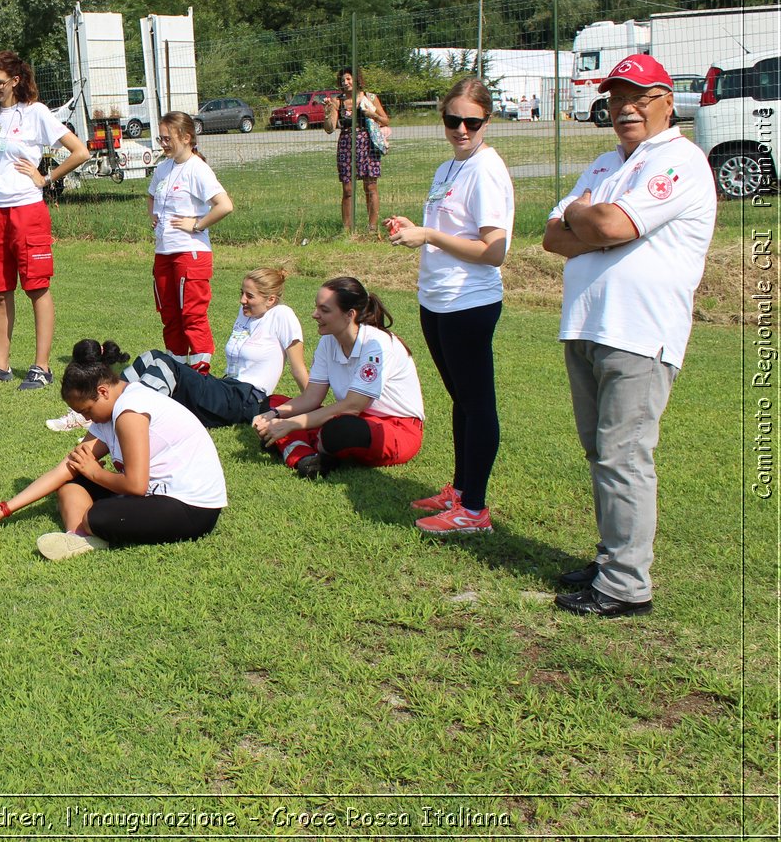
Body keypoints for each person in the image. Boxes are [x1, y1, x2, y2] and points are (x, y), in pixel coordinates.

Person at [541, 54, 716, 618]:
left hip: (639, 332)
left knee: (624, 455)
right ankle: (614, 555)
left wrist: (588, 219)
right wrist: (590, 222)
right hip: (589, 325)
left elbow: (612, 225)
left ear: (668, 100)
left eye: (640, 96)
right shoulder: (602, 163)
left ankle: (625, 585)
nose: (626, 108)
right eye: (617, 97)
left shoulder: (680, 161)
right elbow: (552, 238)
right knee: (602, 452)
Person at [386, 77, 514, 536]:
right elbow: (449, 228)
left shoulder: (486, 169)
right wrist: (414, 228)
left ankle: (474, 511)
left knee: (477, 403)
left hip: (469, 302)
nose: (461, 129)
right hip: (437, 299)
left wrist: (430, 235)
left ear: (487, 121)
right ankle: (460, 491)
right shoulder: (449, 168)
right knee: (461, 400)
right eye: (452, 120)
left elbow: (493, 250)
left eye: (471, 121)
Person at [0, 340, 227, 560]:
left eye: (86, 411)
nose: (86, 418)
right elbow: (68, 468)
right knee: (71, 486)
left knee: (98, 516)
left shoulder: (130, 411)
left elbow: (136, 485)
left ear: (102, 392)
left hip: (192, 508)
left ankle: (89, 530)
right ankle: (81, 538)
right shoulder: (110, 411)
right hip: (156, 494)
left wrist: (94, 473)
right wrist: (6, 508)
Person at [0, 50, 91, 391]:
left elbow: (80, 151)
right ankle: (0, 366)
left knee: (37, 288)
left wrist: (46, 177)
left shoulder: (36, 114)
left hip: (28, 211)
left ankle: (41, 367)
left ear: (15, 81)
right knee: (0, 292)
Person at [46, 267, 307, 433]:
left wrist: (315, 406)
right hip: (226, 388)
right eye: (242, 293)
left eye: (249, 296)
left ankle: (129, 422)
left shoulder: (282, 315)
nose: (242, 300)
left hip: (248, 399)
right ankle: (94, 409)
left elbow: (298, 369)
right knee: (151, 357)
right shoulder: (246, 313)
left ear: (271, 299)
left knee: (164, 364)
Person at [254, 276, 424, 480]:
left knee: (340, 429)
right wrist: (274, 414)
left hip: (393, 428)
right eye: (317, 308)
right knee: (272, 403)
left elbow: (352, 406)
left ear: (349, 315)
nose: (314, 315)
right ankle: (308, 459)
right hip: (351, 416)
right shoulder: (328, 341)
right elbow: (311, 398)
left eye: (324, 310)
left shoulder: (377, 344)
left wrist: (291, 424)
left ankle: (305, 446)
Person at [148, 111, 234, 373]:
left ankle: (200, 376)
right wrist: (153, 214)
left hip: (191, 254)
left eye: (167, 138)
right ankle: (176, 371)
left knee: (192, 316)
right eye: (160, 138)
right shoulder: (163, 168)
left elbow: (224, 205)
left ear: (186, 137)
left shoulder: (198, 168)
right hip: (164, 253)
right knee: (169, 314)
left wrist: (197, 224)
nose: (162, 144)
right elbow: (151, 195)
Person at [322, 67, 390, 235]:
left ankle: (372, 228)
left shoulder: (370, 98)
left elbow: (385, 120)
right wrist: (329, 111)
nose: (346, 83)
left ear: (357, 79)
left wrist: (371, 114)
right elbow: (329, 129)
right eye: (343, 80)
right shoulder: (338, 102)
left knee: (371, 186)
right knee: (348, 189)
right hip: (346, 144)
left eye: (349, 79)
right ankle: (347, 230)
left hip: (367, 144)